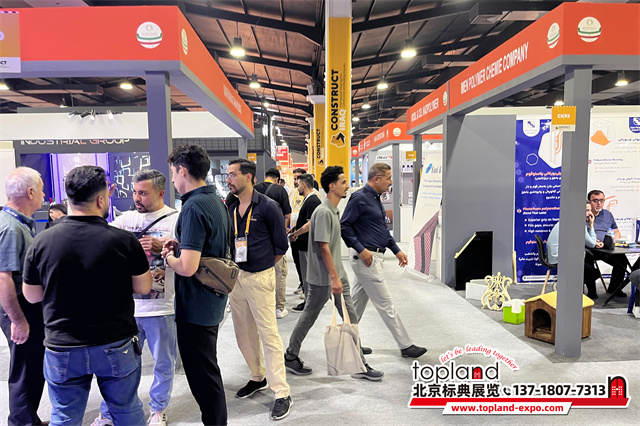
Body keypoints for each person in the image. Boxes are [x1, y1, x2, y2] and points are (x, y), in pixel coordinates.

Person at [22, 165, 152, 425]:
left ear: (68, 198)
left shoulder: (42, 241)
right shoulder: (124, 241)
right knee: (126, 410)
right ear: (101, 199)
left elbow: (32, 295)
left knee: (64, 415)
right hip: (115, 341)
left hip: (63, 344)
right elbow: (143, 287)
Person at [91, 169, 179, 426]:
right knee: (119, 365)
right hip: (127, 308)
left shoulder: (176, 219)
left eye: (143, 193)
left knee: (164, 362)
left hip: (162, 306)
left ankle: (158, 409)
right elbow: (101, 241)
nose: (137, 198)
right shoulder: (125, 220)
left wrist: (163, 249)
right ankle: (109, 411)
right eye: (134, 192)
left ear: (160, 193)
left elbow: (188, 258)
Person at [284, 166, 384, 381]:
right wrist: (334, 278)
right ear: (332, 186)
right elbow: (323, 246)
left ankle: (358, 361)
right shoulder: (324, 211)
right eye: (343, 182)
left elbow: (312, 226)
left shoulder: (331, 209)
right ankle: (291, 355)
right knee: (311, 316)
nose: (347, 186)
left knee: (349, 316)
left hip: (336, 275)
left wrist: (297, 232)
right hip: (325, 279)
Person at [162, 144, 230, 426]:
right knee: (208, 370)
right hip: (212, 299)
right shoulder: (216, 201)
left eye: (172, 173)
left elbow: (187, 267)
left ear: (182, 170)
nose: (172, 180)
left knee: (203, 377)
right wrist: (182, 247)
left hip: (195, 305)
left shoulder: (192, 206)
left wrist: (169, 257)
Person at [225, 158, 292, 420]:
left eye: (232, 175)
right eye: (228, 175)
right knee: (243, 332)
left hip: (260, 276)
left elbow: (281, 246)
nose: (228, 179)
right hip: (237, 277)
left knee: (268, 334)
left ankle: (282, 392)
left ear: (249, 177)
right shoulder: (230, 205)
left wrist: (262, 268)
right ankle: (257, 376)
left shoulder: (268, 206)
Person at [341, 163, 427, 359]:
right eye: (388, 178)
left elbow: (381, 230)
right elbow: (344, 226)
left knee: (355, 304)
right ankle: (406, 345)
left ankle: (348, 341)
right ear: (377, 179)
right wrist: (361, 249)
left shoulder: (376, 198)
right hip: (367, 259)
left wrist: (396, 250)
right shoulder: (359, 198)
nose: (390, 182)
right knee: (386, 304)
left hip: (374, 256)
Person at [0, 167, 46, 426]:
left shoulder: (18, 224)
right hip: (19, 308)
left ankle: (28, 419)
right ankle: (22, 422)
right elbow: (3, 278)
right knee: (25, 368)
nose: (44, 195)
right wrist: (18, 321)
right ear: (30, 192)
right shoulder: (10, 228)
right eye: (41, 190)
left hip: (24, 306)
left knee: (32, 364)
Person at [254, 168, 291, 319]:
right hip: (275, 240)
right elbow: (287, 216)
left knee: (258, 273)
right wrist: (283, 232)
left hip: (257, 240)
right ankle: (278, 308)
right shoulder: (280, 190)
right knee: (279, 273)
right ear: (277, 179)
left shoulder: (255, 189)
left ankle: (260, 305)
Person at [546, 204, 601, 299]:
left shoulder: (569, 220)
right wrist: (591, 225)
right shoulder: (577, 223)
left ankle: (591, 293)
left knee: (588, 258)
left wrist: (592, 240)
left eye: (590, 210)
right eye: (587, 211)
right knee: (594, 272)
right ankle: (574, 287)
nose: (590, 214)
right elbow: (591, 244)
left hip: (556, 256)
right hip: (560, 259)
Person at [288, 173, 321, 312]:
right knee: (306, 273)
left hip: (307, 244)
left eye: (298, 184)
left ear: (304, 185)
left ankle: (310, 302)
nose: (297, 187)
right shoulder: (308, 200)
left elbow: (310, 223)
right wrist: (294, 229)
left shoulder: (312, 201)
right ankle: (310, 300)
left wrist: (295, 234)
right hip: (304, 243)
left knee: (308, 275)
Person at [586, 190, 626, 297]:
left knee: (622, 259)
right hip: (590, 248)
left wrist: (613, 240)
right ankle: (592, 292)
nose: (599, 203)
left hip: (606, 248)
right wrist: (594, 241)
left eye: (602, 200)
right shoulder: (584, 214)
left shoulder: (608, 214)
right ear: (589, 202)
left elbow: (616, 231)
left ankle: (614, 289)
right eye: (595, 200)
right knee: (587, 258)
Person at [289, 168, 308, 297]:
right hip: (294, 232)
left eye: (298, 178)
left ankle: (307, 288)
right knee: (297, 261)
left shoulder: (313, 194)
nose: (296, 181)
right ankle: (302, 283)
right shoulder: (292, 192)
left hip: (304, 234)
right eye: (294, 178)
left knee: (306, 263)